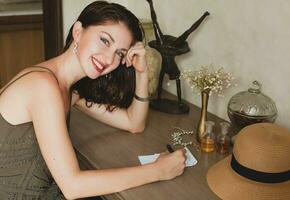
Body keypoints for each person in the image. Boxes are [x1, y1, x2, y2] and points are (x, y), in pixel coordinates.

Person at [0, 1, 186, 199]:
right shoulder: (43, 86)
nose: (108, 59)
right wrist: (158, 170)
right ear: (78, 32)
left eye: (119, 54)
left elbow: (134, 123)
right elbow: (73, 186)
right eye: (105, 41)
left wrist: (142, 72)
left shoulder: (70, 91)